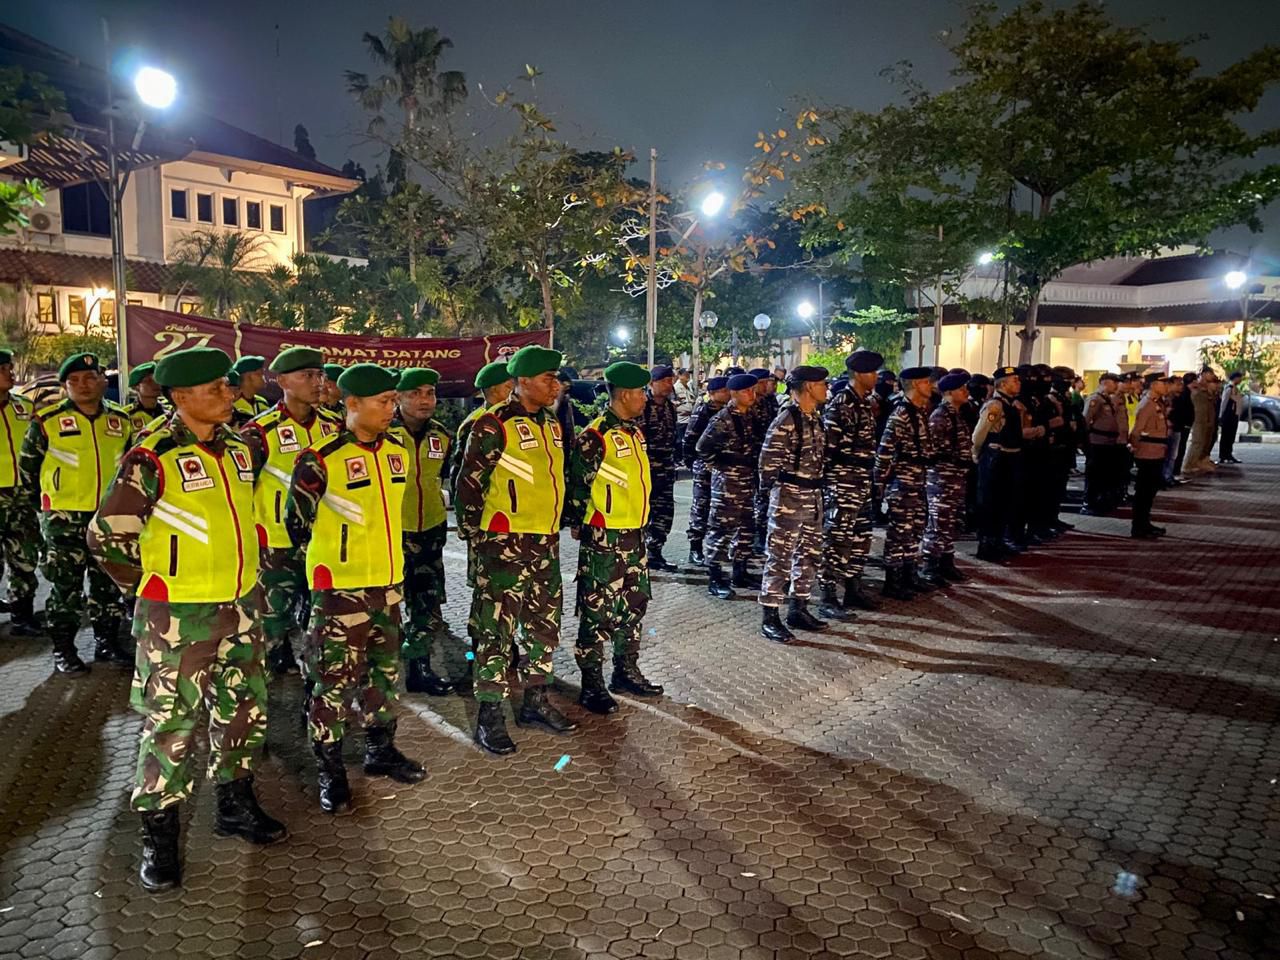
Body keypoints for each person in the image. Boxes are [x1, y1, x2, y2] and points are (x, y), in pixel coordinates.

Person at [88, 346, 284, 891]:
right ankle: (159, 837)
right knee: (171, 728)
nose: (229, 393)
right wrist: (151, 589)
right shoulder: (151, 458)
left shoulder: (242, 449)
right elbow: (106, 537)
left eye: (227, 385)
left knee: (243, 712)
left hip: (241, 606)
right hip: (178, 619)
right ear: (180, 397)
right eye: (215, 388)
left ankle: (235, 805)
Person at [286, 363, 426, 813]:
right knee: (332, 684)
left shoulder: (398, 451)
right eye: (382, 402)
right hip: (339, 591)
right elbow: (295, 523)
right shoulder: (318, 458)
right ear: (351, 404)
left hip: (387, 586)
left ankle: (380, 750)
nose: (391, 409)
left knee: (384, 676)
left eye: (392, 401)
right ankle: (330, 771)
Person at [455, 345, 578, 755]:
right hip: (503, 545)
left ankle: (535, 702)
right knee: (495, 630)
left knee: (544, 627)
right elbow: (468, 484)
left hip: (545, 542)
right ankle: (489, 716)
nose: (555, 385)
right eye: (548, 379)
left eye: (556, 378)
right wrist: (478, 536)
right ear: (523, 381)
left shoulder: (551, 423)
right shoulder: (493, 423)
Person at [21, 352, 132, 672]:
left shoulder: (120, 420)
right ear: (65, 386)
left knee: (106, 585)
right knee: (65, 586)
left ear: (102, 380)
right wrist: (44, 510)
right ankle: (63, 650)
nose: (82, 385)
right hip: (63, 519)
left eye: (89, 378)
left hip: (106, 518)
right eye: (74, 381)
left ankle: (107, 643)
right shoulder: (48, 420)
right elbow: (28, 469)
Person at [567, 361, 663, 715]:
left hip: (635, 535)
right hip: (604, 538)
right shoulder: (596, 435)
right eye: (641, 393)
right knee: (597, 611)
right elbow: (578, 486)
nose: (645, 399)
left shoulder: (633, 433)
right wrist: (582, 524)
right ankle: (591, 683)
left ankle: (625, 671)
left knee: (634, 605)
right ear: (624, 394)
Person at [242, 348, 342, 676]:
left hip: (323, 543)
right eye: (306, 376)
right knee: (272, 622)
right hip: (276, 545)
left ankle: (315, 694)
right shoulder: (260, 431)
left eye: (319, 375)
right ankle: (264, 695)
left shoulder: (334, 427)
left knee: (321, 623)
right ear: (282, 380)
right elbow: (241, 490)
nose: (317, 383)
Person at [391, 367, 454, 697]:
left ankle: (420, 668)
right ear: (398, 398)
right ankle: (381, 678)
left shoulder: (441, 435)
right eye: (414, 393)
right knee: (386, 607)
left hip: (429, 530)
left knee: (426, 605)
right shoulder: (384, 434)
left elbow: (441, 477)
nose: (424, 400)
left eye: (429, 393)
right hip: (389, 534)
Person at [757, 366, 829, 643]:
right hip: (789, 495)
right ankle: (771, 614)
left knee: (809, 554)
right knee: (780, 556)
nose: (826, 388)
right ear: (808, 387)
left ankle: (799, 607)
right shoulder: (787, 419)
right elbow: (767, 463)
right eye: (822, 383)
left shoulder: (814, 417)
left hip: (812, 495)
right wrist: (771, 494)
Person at [818, 349, 882, 618]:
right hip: (843, 481)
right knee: (838, 539)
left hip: (861, 481)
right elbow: (829, 449)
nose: (876, 377)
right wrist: (835, 483)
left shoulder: (865, 401)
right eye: (871, 372)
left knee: (861, 536)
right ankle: (828, 595)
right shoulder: (842, 403)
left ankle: (853, 587)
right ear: (858, 374)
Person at [876, 367, 938, 598]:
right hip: (902, 482)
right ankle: (893, 582)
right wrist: (879, 483)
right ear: (913, 385)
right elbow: (885, 451)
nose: (929, 386)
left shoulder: (919, 412)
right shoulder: (900, 415)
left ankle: (909, 574)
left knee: (915, 529)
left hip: (918, 480)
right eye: (924, 382)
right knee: (899, 532)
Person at [696, 373, 760, 599]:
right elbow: (702, 447)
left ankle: (740, 571)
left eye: (753, 390)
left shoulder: (750, 415)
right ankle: (716, 576)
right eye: (746, 391)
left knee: (745, 528)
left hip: (746, 480)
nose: (751, 395)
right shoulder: (722, 419)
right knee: (721, 529)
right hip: (727, 482)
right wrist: (717, 467)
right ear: (733, 394)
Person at [453, 360, 515, 590]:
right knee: (486, 584)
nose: (513, 392)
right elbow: (463, 475)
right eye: (509, 387)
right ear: (492, 391)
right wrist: (469, 524)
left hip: (509, 517)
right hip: (485, 517)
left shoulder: (511, 420)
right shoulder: (478, 423)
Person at [0, 348, 41, 638]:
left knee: (25, 556)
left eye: (10, 366)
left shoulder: (25, 407)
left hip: (22, 495)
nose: (11, 372)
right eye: (3, 368)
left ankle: (22, 615)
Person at [921, 371, 972, 583]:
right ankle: (930, 566)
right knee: (938, 523)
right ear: (949, 393)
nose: (966, 392)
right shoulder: (940, 415)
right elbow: (932, 449)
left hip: (955, 478)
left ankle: (946, 561)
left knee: (949, 522)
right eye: (962, 389)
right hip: (941, 478)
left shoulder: (956, 414)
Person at [971, 366, 1025, 563]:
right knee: (990, 503)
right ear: (1002, 384)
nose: (1018, 383)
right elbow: (979, 435)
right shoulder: (995, 406)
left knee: (1005, 502)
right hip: (996, 459)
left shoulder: (1012, 404)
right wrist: (977, 454)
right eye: (1014, 380)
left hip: (1010, 458)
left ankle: (998, 541)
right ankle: (987, 545)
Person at [683, 375, 729, 566]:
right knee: (701, 507)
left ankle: (716, 549)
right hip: (704, 466)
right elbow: (689, 440)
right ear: (712, 394)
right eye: (723, 391)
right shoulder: (703, 412)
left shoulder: (728, 412)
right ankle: (695, 548)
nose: (727, 394)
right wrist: (695, 464)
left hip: (720, 468)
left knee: (717, 509)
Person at [640, 365, 679, 571]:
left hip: (665, 467)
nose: (668, 384)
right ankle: (639, 554)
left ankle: (655, 552)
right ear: (651, 383)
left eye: (670, 380)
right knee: (644, 512)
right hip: (646, 469)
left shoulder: (671, 408)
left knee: (664, 512)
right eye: (663, 381)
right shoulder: (642, 406)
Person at [1129, 373, 1172, 538]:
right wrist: (1135, 449)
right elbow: (1136, 431)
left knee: (1150, 492)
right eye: (1163, 383)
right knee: (1143, 492)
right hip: (1147, 453)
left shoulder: (1157, 403)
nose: (1166, 386)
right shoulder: (1146, 405)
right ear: (1153, 385)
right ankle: (1138, 527)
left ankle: (1145, 523)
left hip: (1156, 453)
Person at [1082, 373, 1124, 514]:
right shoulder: (1095, 399)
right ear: (1105, 382)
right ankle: (1089, 503)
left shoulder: (1109, 399)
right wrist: (1085, 441)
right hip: (1097, 442)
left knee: (1104, 474)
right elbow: (1086, 420)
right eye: (1114, 382)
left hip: (1109, 442)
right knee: (1094, 474)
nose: (1117, 385)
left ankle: (1101, 502)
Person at [748, 368, 779, 552]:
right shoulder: (749, 404)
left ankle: (762, 535)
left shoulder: (769, 402)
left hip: (765, 457)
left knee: (765, 498)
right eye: (764, 382)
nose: (769, 385)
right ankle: (756, 537)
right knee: (755, 500)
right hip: (751, 458)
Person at [1183, 369, 1220, 476]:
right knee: (1197, 442)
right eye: (1210, 374)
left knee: (1206, 441)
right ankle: (1189, 464)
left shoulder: (1206, 388)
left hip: (1207, 417)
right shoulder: (1197, 387)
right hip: (1198, 418)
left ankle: (1199, 461)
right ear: (1203, 375)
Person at [122, 362, 170, 435]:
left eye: (156, 380)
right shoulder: (126, 416)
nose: (155, 384)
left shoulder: (169, 412)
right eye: (148, 381)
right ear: (136, 387)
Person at [229, 355, 269, 427]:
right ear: (248, 377)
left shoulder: (262, 402)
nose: (264, 377)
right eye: (260, 374)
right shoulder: (231, 403)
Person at [1170, 372, 1196, 479]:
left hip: (1182, 426)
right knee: (1176, 451)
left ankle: (1174, 472)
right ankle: (1173, 472)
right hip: (1178, 426)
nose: (1180, 386)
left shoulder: (1185, 393)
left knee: (1179, 450)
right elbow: (1181, 411)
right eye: (1178, 384)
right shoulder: (1181, 395)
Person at [1218, 371, 1245, 464]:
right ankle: (1223, 455)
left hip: (1234, 415)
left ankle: (1228, 454)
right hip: (1228, 415)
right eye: (1240, 378)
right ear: (1236, 378)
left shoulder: (1235, 388)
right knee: (1226, 436)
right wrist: (1221, 415)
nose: (1241, 380)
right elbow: (1224, 402)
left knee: (1231, 436)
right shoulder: (1229, 388)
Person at [672, 367, 695, 455]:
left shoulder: (689, 387)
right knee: (679, 440)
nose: (688, 376)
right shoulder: (676, 387)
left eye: (688, 374)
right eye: (685, 375)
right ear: (680, 376)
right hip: (681, 418)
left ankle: (684, 456)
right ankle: (678, 457)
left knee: (687, 439)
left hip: (689, 418)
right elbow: (673, 401)